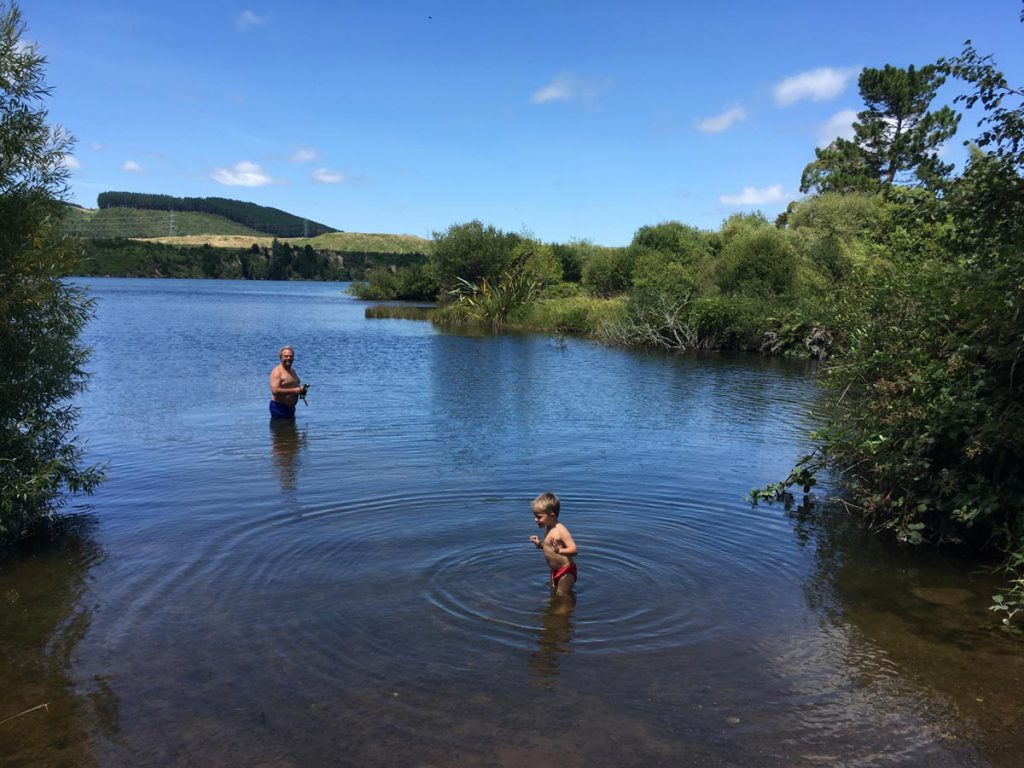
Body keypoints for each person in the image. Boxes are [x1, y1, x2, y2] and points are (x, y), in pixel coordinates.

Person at [528, 492, 578, 595]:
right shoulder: (548, 528)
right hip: (554, 571)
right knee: (553, 593)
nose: (535, 519)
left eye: (539, 517)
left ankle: (565, 610)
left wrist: (560, 550)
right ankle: (555, 609)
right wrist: (539, 545)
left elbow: (574, 550)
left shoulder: (560, 530)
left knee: (561, 596)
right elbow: (549, 547)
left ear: (552, 515)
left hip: (566, 571)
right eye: (535, 516)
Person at [269, 345, 308, 420]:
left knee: (291, 431)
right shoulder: (277, 372)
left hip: (291, 408)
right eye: (286, 356)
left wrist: (301, 391)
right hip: (279, 408)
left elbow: (293, 385)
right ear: (281, 357)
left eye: (291, 356)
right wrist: (294, 390)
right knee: (281, 431)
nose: (288, 358)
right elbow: (275, 390)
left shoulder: (292, 371)